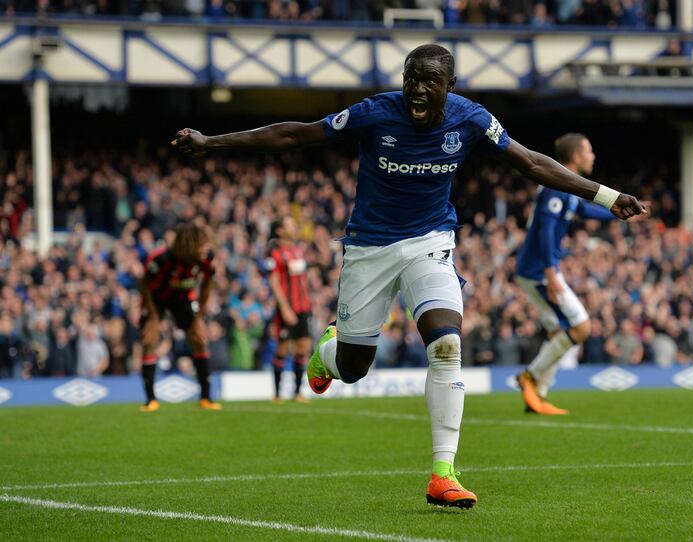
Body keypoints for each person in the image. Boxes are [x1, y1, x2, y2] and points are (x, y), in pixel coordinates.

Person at [172, 43, 645, 508]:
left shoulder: (472, 119)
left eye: (429, 82)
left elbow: (532, 162)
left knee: (446, 346)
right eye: (410, 79)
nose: (417, 91)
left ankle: (443, 474)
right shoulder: (375, 113)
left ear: (450, 86)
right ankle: (328, 355)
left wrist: (604, 195)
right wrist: (212, 143)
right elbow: (294, 134)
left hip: (430, 243)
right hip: (369, 248)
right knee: (355, 368)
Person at [514, 133, 621, 415]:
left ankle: (536, 395)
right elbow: (546, 229)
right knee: (581, 327)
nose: (593, 156)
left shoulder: (563, 185)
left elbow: (583, 210)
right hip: (539, 270)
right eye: (589, 151)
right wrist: (550, 272)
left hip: (536, 268)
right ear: (575, 157)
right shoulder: (555, 186)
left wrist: (618, 211)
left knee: (557, 334)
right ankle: (530, 377)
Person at [139, 222, 222, 412]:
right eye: (201, 244)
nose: (206, 248)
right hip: (156, 298)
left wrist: (199, 318)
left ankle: (206, 398)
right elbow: (144, 286)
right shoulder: (161, 259)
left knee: (199, 338)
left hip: (183, 298)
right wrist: (153, 319)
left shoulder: (206, 258)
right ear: (189, 245)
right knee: (149, 339)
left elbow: (207, 285)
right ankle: (150, 400)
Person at [265, 216, 312, 404]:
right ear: (280, 231)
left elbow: (302, 279)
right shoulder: (275, 252)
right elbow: (274, 282)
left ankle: (298, 392)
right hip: (287, 307)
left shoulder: (298, 250)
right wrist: (285, 308)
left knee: (303, 346)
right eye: (290, 224)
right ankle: (277, 394)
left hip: (303, 307)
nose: (295, 227)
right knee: (283, 348)